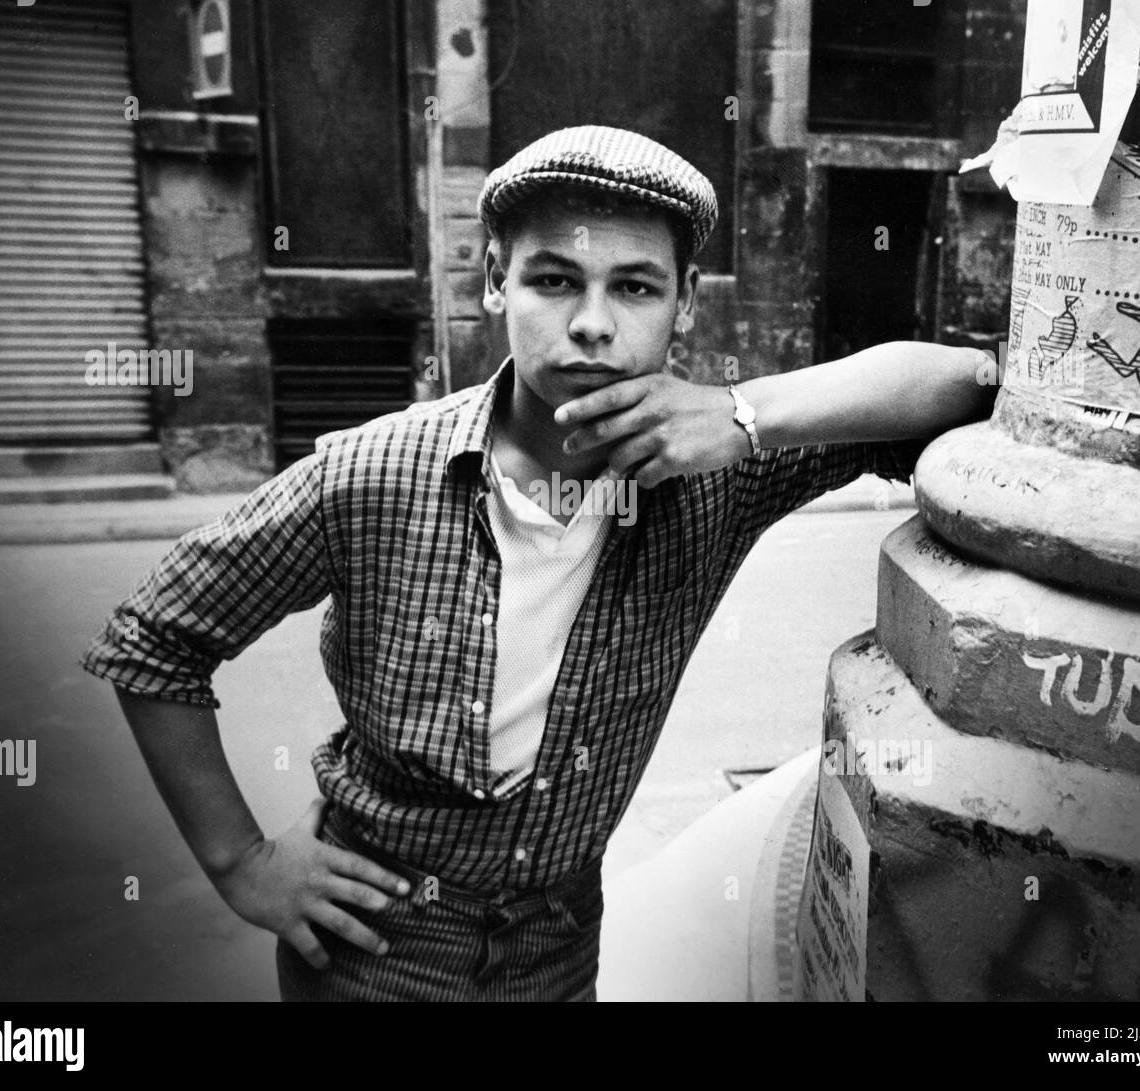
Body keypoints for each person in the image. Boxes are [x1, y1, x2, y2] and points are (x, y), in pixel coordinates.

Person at [80, 125, 996, 1001]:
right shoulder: (373, 473)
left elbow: (960, 387)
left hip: (556, 953)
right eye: (555, 280)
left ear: (686, 303)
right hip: (372, 949)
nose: (592, 325)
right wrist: (243, 863)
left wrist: (743, 411)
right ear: (494, 281)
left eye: (636, 288)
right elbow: (152, 641)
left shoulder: (717, 473)